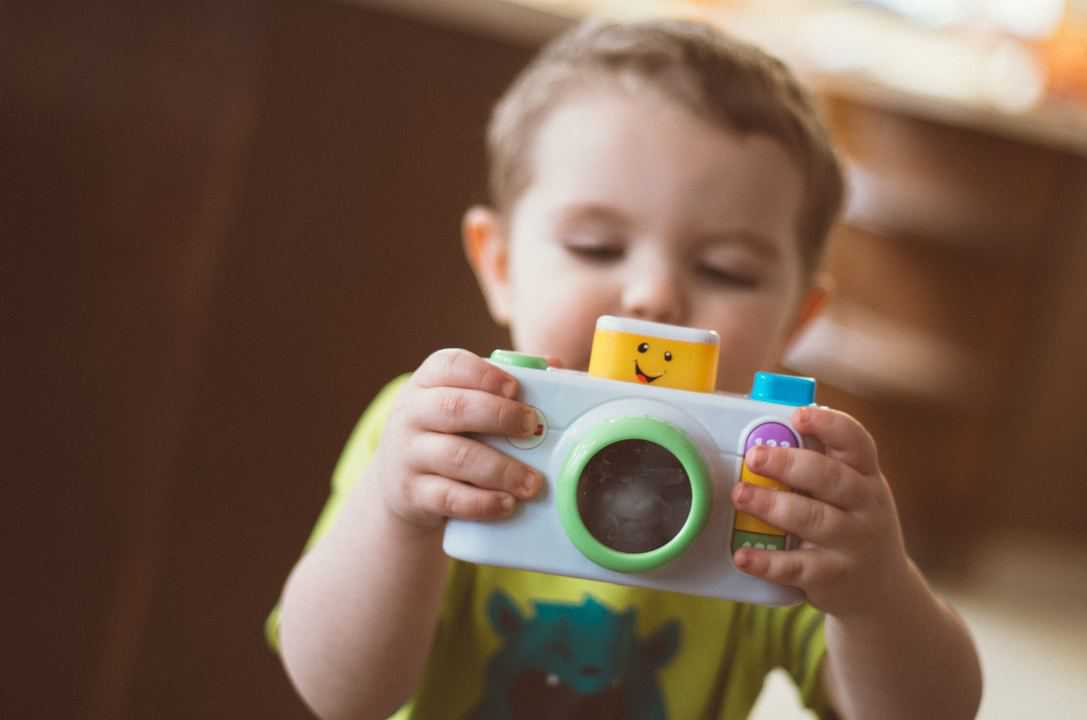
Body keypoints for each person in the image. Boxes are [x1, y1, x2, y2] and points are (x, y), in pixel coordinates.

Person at [271, 18, 982, 720]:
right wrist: (395, 518)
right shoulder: (443, 434)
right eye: (596, 247)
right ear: (501, 265)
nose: (652, 296)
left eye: (723, 269)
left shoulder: (770, 479)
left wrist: (877, 593)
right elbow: (342, 697)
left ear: (796, 319)